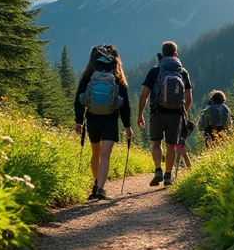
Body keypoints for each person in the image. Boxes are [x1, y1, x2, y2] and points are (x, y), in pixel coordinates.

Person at [75, 44, 133, 200]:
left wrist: (78, 121)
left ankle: (95, 184)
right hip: (110, 119)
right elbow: (125, 104)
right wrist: (128, 126)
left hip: (92, 118)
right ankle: (101, 188)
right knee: (105, 154)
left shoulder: (88, 76)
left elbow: (79, 99)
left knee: (95, 152)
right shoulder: (117, 77)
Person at [137, 41, 192, 187]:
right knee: (171, 145)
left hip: (157, 112)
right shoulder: (183, 72)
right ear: (175, 54)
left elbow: (144, 95)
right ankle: (168, 175)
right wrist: (183, 113)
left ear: (162, 53)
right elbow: (189, 98)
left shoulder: (155, 71)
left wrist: (140, 114)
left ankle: (158, 171)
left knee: (156, 143)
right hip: (175, 114)